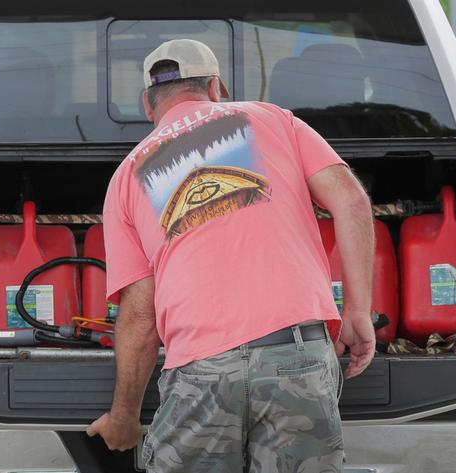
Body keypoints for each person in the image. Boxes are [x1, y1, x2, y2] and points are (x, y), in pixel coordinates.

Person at [86, 38, 375, 472]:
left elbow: (141, 316)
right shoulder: (273, 119)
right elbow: (351, 201)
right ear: (216, 88)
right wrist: (357, 312)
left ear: (149, 105)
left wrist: (124, 417)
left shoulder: (129, 175)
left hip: (202, 369)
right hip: (296, 354)